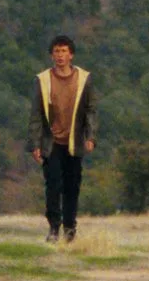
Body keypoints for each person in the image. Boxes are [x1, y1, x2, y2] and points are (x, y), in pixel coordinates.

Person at [28, 34, 97, 243]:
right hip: (52, 142)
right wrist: (35, 143)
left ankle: (70, 228)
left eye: (64, 51)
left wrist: (91, 136)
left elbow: (91, 110)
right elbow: (36, 114)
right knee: (53, 185)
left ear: (71, 55)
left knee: (72, 185)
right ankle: (53, 228)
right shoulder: (43, 80)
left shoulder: (84, 78)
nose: (60, 55)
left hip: (74, 141)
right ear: (51, 55)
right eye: (56, 51)